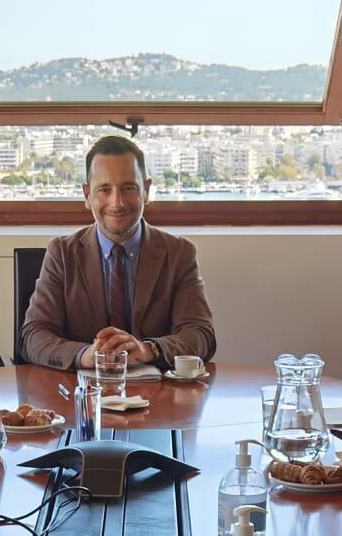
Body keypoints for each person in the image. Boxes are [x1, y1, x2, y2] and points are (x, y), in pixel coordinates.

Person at [20, 135, 217, 371]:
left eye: (129, 188)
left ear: (146, 190)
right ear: (86, 195)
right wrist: (85, 355)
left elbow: (201, 335)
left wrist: (148, 349)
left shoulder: (179, 253)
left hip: (158, 397)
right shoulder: (62, 253)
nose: (117, 202)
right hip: (81, 396)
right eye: (104, 189)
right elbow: (33, 336)